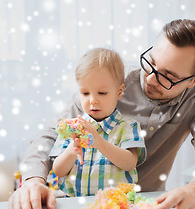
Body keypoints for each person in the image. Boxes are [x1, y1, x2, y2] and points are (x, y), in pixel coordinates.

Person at [8, 19, 195, 209]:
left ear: (194, 80)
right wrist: (33, 180)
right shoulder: (109, 80)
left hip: (145, 208)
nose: (151, 79)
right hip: (81, 204)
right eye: (151, 62)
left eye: (168, 77)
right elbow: (49, 135)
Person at [51, 48, 146, 197]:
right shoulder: (72, 128)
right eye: (85, 93)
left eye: (101, 93)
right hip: (75, 202)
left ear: (119, 92)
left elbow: (130, 163)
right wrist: (71, 150)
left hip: (114, 204)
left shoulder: (128, 126)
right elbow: (58, 170)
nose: (92, 100)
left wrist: (99, 142)